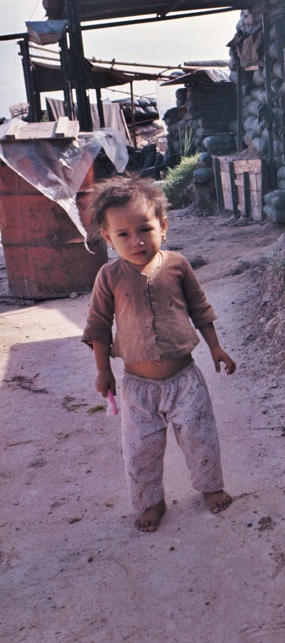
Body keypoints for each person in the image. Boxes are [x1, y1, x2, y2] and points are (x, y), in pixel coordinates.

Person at [82, 176, 236, 532]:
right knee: (140, 450)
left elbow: (200, 309)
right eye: (123, 234)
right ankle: (151, 501)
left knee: (200, 438)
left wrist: (215, 347)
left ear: (163, 226)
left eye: (144, 229)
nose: (136, 241)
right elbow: (99, 328)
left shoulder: (179, 266)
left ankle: (211, 487)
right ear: (107, 238)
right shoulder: (109, 277)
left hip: (185, 378)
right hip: (137, 387)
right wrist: (102, 371)